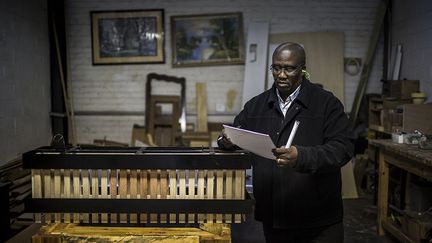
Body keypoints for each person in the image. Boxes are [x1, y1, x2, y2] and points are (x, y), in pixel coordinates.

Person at [218, 42, 354, 243]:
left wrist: (302, 157)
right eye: (276, 68)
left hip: (318, 217)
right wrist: (226, 141)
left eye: (289, 68)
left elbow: (343, 148)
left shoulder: (326, 104)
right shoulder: (256, 106)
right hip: (274, 217)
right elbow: (236, 135)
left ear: (303, 69)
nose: (281, 74)